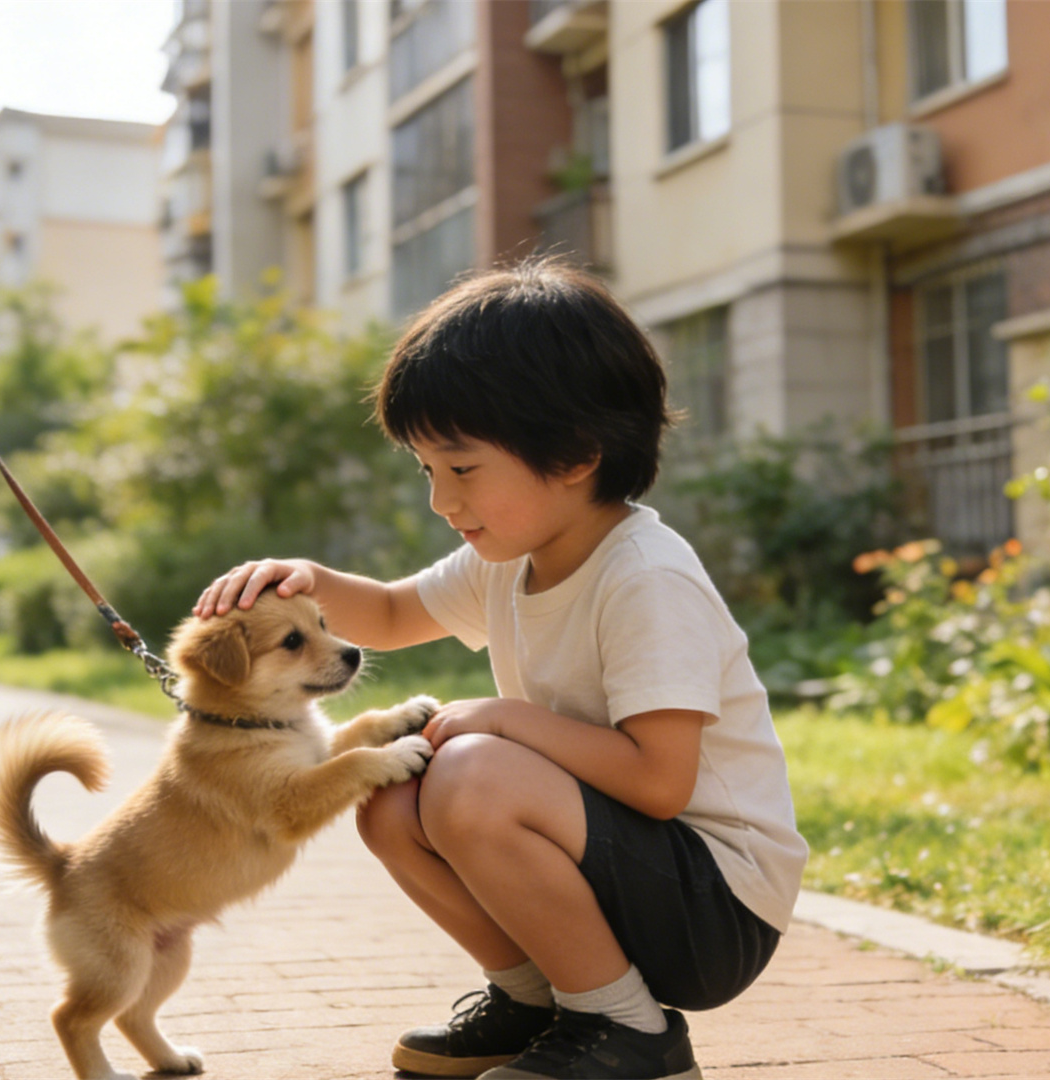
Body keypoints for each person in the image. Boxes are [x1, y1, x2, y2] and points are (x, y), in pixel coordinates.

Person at [194, 260, 807, 1080]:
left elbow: (661, 782)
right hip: (635, 873)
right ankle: (536, 1003)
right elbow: (388, 611)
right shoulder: (508, 560)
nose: (442, 501)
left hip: (715, 905)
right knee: (391, 793)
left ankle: (631, 1035)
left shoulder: (645, 577)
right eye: (426, 471)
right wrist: (300, 578)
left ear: (575, 454)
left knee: (474, 774)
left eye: (462, 468)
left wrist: (509, 719)